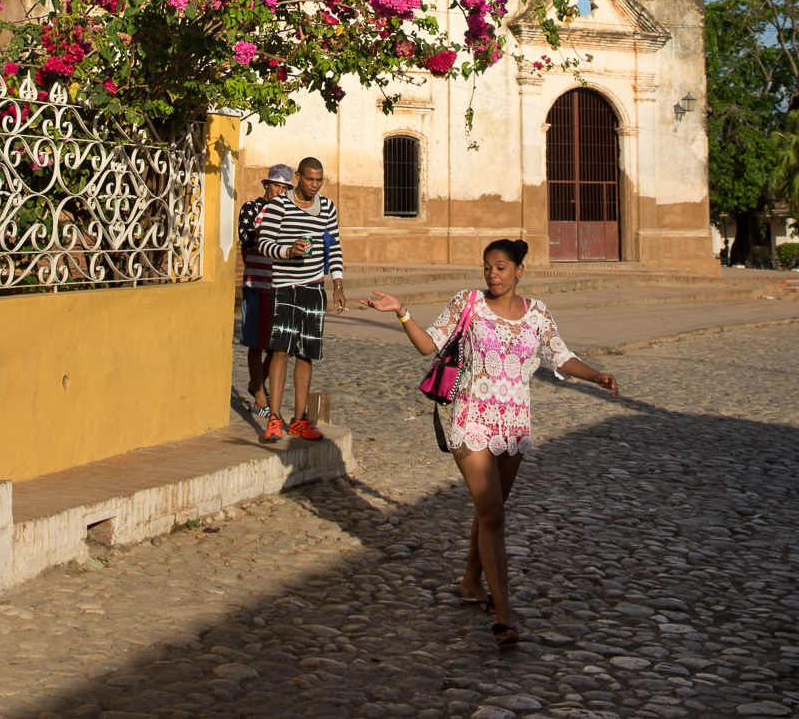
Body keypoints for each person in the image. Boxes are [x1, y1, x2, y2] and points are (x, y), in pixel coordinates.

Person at [362, 237, 618, 646]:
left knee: (489, 512)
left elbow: (560, 356)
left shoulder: (537, 315)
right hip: (470, 420)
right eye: (487, 267)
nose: (493, 275)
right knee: (495, 513)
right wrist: (402, 312)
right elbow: (430, 343)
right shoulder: (468, 303)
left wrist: (596, 375)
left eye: (500, 267)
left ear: (519, 270)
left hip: (514, 426)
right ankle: (505, 615)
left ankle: (469, 582)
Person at [256, 156, 346, 443]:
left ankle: (299, 420)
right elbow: (265, 244)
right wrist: (289, 251)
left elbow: (334, 246)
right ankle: (273, 418)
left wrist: (338, 284)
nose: (315, 185)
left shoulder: (327, 207)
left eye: (319, 180)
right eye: (310, 179)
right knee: (281, 350)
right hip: (285, 286)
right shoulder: (278, 206)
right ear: (298, 177)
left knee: (306, 354)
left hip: (314, 288)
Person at [237, 165, 293, 418]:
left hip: (281, 284)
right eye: (276, 186)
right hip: (257, 284)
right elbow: (248, 240)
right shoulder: (251, 208)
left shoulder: (290, 211)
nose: (280, 191)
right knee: (256, 343)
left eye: (285, 188)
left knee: (281, 345)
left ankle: (255, 384)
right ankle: (260, 398)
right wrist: (269, 225)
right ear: (266, 185)